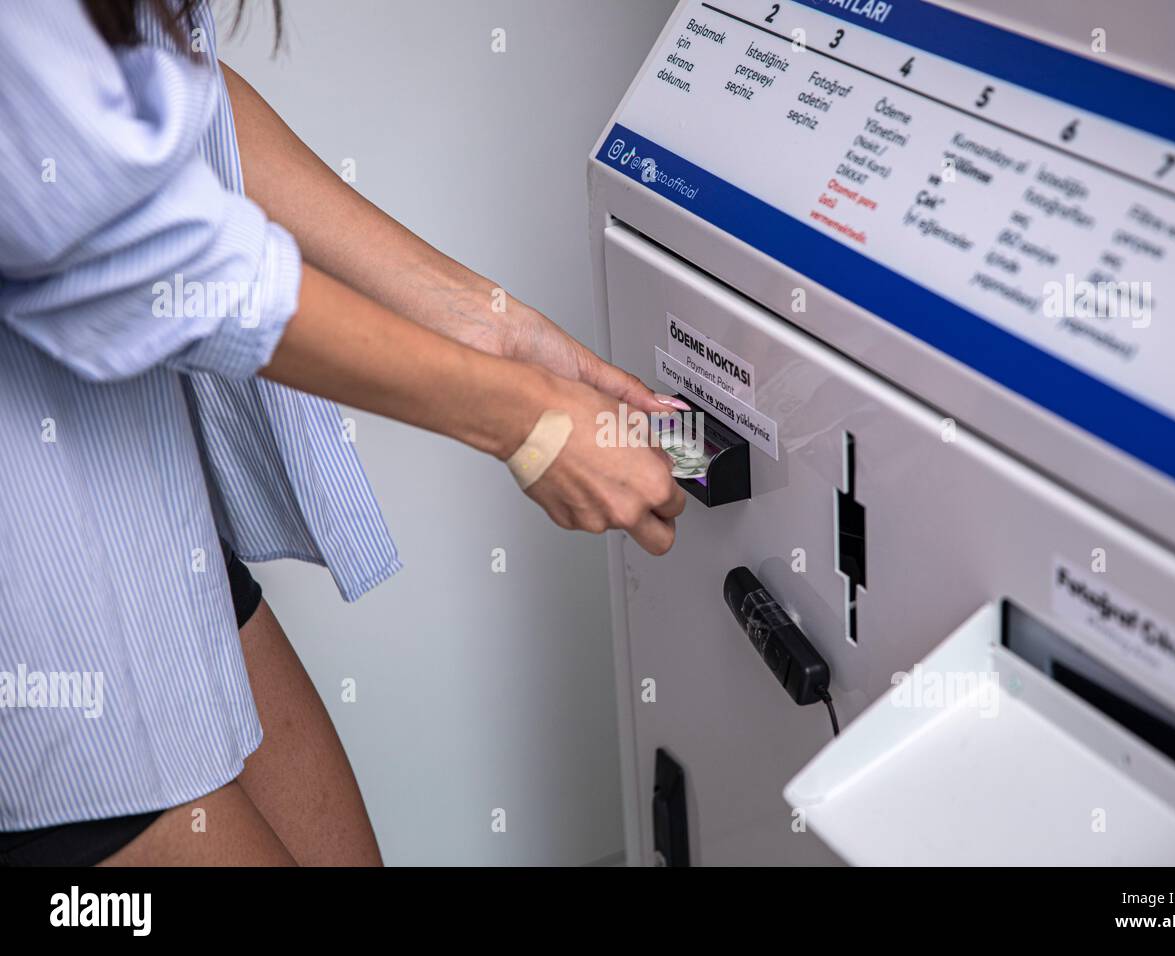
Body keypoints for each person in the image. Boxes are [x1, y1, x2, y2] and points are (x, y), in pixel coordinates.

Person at [0, 0, 687, 866]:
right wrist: (521, 418)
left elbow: (164, 101)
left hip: (145, 526)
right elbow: (132, 248)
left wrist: (488, 323)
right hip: (31, 613)